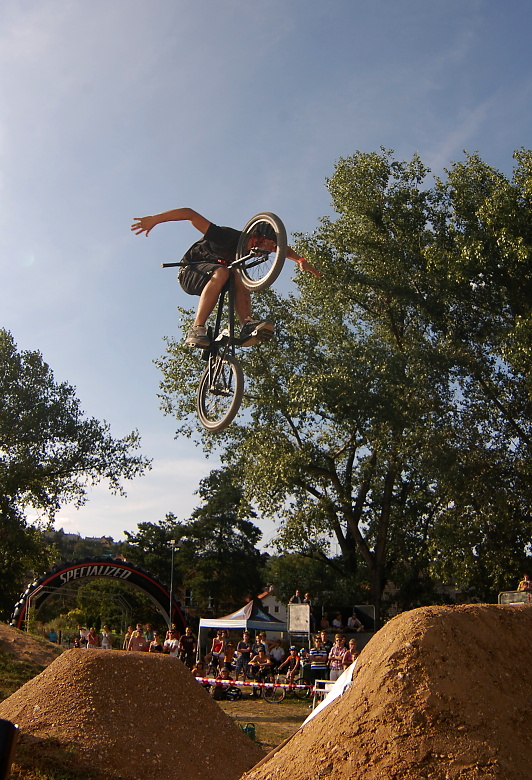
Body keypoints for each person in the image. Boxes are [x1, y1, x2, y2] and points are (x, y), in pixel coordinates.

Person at [130, 208, 320, 348]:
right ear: (257, 238)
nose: (271, 251)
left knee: (238, 274)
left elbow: (284, 249)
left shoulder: (247, 252)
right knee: (223, 271)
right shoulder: (226, 236)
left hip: (217, 274)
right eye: (270, 246)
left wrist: (300, 260)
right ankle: (197, 328)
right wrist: (154, 219)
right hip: (190, 272)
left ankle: (246, 324)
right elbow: (190, 214)